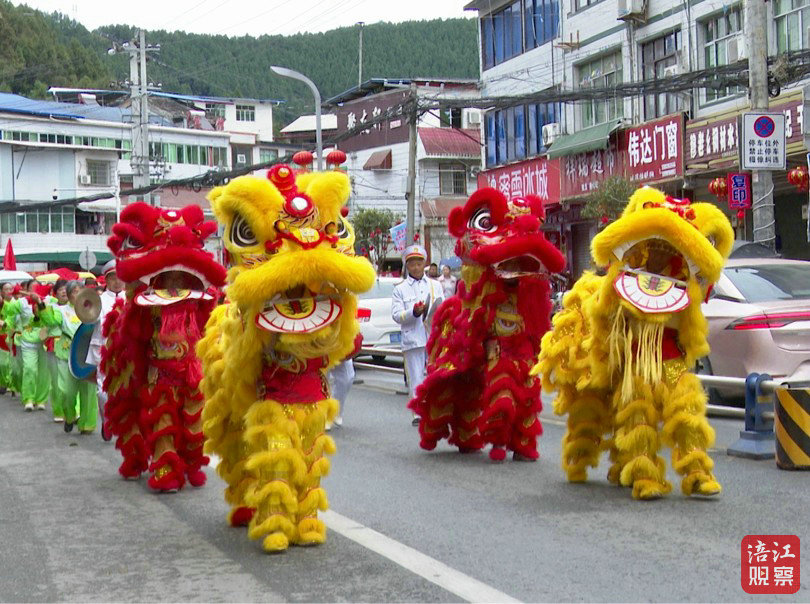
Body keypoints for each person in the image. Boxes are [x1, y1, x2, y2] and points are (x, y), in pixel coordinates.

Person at [391, 244, 444, 425]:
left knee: (435, 373)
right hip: (413, 337)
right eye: (412, 264)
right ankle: (418, 412)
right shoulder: (400, 289)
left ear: (424, 264)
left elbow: (442, 307)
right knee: (415, 376)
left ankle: (434, 407)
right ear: (407, 266)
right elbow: (396, 315)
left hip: (432, 335)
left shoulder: (435, 285)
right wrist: (413, 312)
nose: (416, 267)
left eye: (419, 263)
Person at [87, 260, 125, 433]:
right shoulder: (98, 301)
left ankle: (122, 422)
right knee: (103, 392)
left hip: (125, 350)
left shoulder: (131, 299)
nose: (117, 282)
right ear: (106, 280)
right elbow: (87, 320)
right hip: (103, 349)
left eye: (120, 277)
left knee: (125, 390)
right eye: (112, 278)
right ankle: (106, 420)